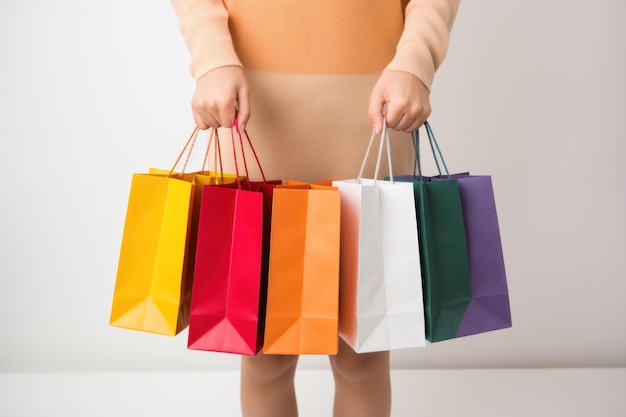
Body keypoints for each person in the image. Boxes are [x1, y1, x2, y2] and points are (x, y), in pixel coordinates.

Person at [170, 1, 460, 416]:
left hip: (372, 122)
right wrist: (211, 56)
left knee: (363, 359)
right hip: (255, 123)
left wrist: (416, 60)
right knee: (264, 359)